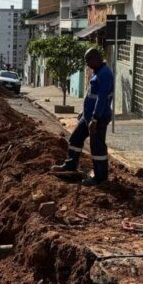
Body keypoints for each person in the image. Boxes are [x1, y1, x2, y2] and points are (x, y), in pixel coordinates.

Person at [52, 47, 113, 185]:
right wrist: (84, 112)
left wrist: (95, 119)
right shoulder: (96, 72)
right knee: (75, 138)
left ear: (96, 58)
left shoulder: (105, 74)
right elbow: (91, 95)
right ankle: (70, 164)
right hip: (88, 116)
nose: (87, 64)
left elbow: (102, 98)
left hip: (98, 118)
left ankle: (100, 177)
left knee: (97, 147)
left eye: (88, 60)